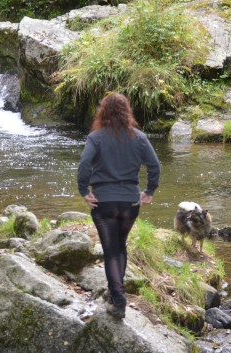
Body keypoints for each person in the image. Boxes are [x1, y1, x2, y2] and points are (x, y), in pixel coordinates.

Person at [77, 92, 160, 319]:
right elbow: (155, 166)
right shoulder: (139, 137)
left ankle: (119, 300)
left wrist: (84, 190)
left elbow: (84, 164)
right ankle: (116, 296)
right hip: (130, 200)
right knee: (119, 247)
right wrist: (149, 191)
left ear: (102, 111)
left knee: (111, 251)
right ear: (127, 111)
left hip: (104, 201)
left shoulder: (96, 137)